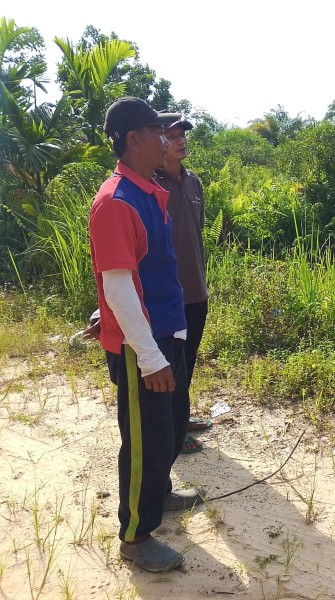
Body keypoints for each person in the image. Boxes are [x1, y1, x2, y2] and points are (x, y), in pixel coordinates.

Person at [89, 97, 203, 573]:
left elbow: (137, 272)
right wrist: (151, 358)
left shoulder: (148, 192)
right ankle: (136, 537)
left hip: (165, 332)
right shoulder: (117, 201)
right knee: (143, 440)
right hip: (144, 348)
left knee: (166, 429)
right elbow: (117, 285)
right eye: (158, 131)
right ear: (133, 139)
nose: (167, 140)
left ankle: (160, 494)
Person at [156, 118, 210, 454]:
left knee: (188, 359)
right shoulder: (151, 184)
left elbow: (198, 231)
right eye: (172, 135)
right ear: (157, 141)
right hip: (167, 292)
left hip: (196, 289)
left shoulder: (193, 182)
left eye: (182, 135)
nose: (180, 141)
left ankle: (182, 416)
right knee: (171, 360)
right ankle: (173, 428)